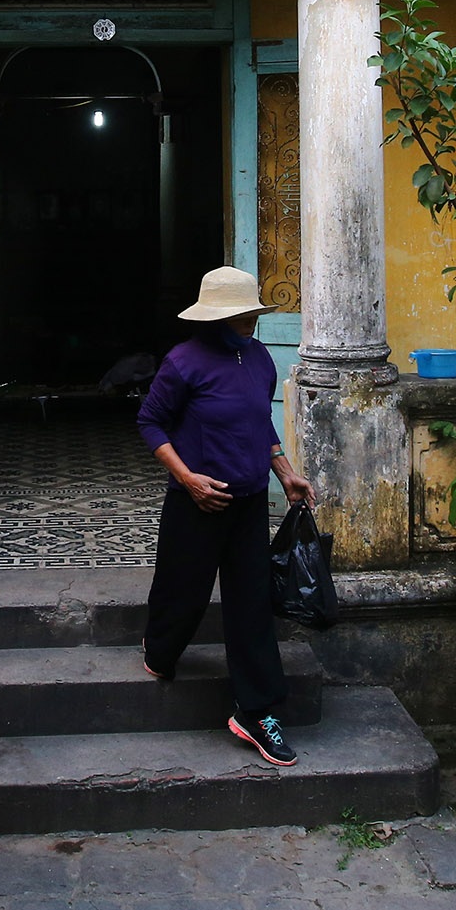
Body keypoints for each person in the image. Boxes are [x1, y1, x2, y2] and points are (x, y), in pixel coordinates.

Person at [137, 265, 315, 767]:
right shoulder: (183, 362)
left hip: (249, 499)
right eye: (239, 315)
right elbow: (150, 422)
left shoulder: (259, 359)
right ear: (216, 316)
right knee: (182, 591)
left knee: (251, 603)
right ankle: (160, 649)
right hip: (196, 501)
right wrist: (188, 479)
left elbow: (260, 422)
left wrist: (284, 471)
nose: (249, 322)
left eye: (251, 313)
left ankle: (256, 711)